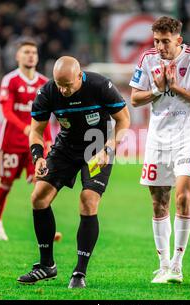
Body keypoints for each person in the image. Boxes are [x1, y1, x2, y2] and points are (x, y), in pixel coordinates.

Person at [17, 56, 130, 288]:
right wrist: (37, 157)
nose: (63, 90)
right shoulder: (48, 92)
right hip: (65, 147)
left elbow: (124, 121)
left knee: (88, 200)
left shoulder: (100, 86)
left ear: (80, 76)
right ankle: (47, 265)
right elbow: (36, 131)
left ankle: (79, 272)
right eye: (59, 84)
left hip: (97, 147)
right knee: (38, 198)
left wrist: (109, 148)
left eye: (68, 85)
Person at [129, 16, 190, 284]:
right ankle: (163, 264)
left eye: (165, 41)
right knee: (158, 202)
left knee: (183, 198)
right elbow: (135, 98)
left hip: (188, 137)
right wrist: (158, 88)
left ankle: (177, 264)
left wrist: (175, 88)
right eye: (156, 41)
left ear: (178, 39)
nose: (160, 47)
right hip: (158, 139)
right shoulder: (147, 59)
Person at [0, 38, 52, 241]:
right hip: (12, 141)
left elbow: (47, 116)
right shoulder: (10, 80)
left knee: (40, 183)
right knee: (6, 184)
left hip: (35, 144)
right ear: (17, 56)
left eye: (33, 52)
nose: (30, 55)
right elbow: (7, 111)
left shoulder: (44, 83)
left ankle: (44, 230)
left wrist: (49, 139)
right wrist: (25, 128)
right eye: (26, 52)